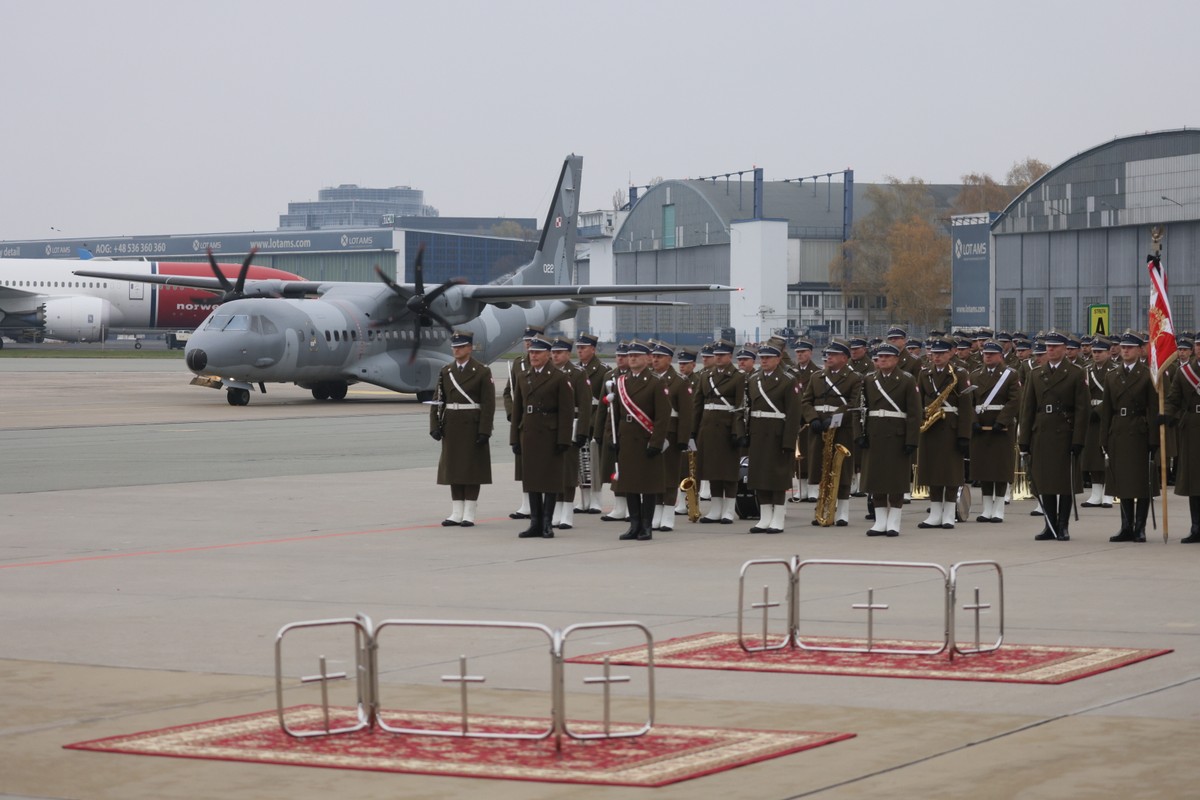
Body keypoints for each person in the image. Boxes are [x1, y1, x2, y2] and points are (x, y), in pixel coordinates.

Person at [1018, 330, 1089, 541]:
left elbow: (1082, 410)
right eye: (1048, 346)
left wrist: (1078, 440)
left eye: (1055, 346)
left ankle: (1062, 525)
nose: (1050, 350)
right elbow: (1027, 409)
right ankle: (1049, 525)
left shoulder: (1076, 373)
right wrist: (1024, 440)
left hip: (1064, 433)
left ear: (1065, 349)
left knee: (1064, 483)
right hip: (1042, 433)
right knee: (1045, 482)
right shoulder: (1035, 374)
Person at [509, 334, 574, 539]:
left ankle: (547, 523)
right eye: (531, 352)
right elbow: (517, 409)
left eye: (537, 352)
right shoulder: (523, 376)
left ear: (547, 355)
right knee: (532, 481)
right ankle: (535, 523)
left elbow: (566, 411)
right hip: (528, 434)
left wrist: (564, 439)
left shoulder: (559, 377)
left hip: (549, 434)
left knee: (550, 481)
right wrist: (514, 438)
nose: (533, 355)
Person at [430, 330, 495, 527]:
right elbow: (438, 399)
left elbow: (488, 403)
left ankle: (469, 512)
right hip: (452, 424)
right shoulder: (446, 371)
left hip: (472, 424)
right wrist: (435, 425)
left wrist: (485, 430)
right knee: (454, 469)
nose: (456, 350)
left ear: (469, 348)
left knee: (472, 470)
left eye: (460, 347)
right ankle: (456, 511)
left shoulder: (482, 371)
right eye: (454, 347)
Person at [610, 341, 672, 540]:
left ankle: (646, 526)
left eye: (637, 355)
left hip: (646, 439)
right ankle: (634, 525)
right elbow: (615, 413)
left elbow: (663, 415)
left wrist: (656, 442)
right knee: (630, 485)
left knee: (647, 486)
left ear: (647, 358)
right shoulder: (621, 381)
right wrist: (614, 438)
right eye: (630, 355)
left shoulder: (655, 382)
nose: (633, 358)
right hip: (627, 438)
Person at [1102, 332, 1159, 542]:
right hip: (1118, 429)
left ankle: (1139, 527)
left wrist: (1154, 440)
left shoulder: (1148, 374)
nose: (1125, 350)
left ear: (1139, 350)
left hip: (1139, 431)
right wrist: (1104, 439)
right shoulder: (1112, 376)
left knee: (1142, 483)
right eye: (1123, 347)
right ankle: (1126, 526)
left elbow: (1153, 409)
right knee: (1123, 482)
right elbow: (1107, 410)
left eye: (1130, 347)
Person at [860, 343, 921, 536]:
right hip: (874, 434)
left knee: (895, 481)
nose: (883, 360)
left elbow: (914, 413)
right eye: (880, 357)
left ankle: (894, 521)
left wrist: (911, 439)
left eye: (887, 357)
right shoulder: (869, 380)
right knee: (876, 480)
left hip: (897, 435)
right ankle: (880, 522)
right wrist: (859, 435)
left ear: (896, 359)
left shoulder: (906, 380)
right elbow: (860, 410)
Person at [800, 340, 862, 526]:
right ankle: (822, 509)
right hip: (819, 429)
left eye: (833, 355)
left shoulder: (854, 378)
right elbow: (805, 401)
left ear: (844, 358)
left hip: (841, 429)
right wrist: (813, 419)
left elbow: (853, 404)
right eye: (827, 354)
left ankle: (842, 511)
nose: (829, 357)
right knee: (820, 469)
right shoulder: (817, 377)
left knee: (840, 471)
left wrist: (834, 418)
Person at [916, 338, 974, 529]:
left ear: (951, 353)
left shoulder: (959, 373)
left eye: (941, 353)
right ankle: (934, 512)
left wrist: (964, 434)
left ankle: (949, 513)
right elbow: (918, 402)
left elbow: (966, 407)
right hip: (930, 427)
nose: (937, 357)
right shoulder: (925, 374)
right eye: (934, 353)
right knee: (932, 470)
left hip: (951, 426)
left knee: (950, 472)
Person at [745, 343, 803, 533]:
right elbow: (748, 409)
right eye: (761, 358)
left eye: (768, 358)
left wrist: (788, 441)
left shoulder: (788, 380)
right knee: (759, 477)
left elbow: (794, 414)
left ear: (778, 359)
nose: (764, 361)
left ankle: (778, 517)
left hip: (778, 434)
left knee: (777, 478)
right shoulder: (754, 379)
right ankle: (764, 517)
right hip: (758, 433)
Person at [968, 341, 1021, 523]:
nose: (987, 356)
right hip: (981, 427)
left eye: (991, 354)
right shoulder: (975, 375)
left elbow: (1014, 400)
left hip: (1001, 427)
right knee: (984, 468)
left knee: (1000, 468)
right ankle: (986, 509)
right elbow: (969, 401)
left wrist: (1002, 421)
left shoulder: (1010, 375)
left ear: (1000, 356)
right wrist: (973, 421)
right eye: (985, 354)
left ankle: (998, 508)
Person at [696, 339, 747, 524]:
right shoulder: (705, 376)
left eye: (722, 355)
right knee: (712, 470)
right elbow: (697, 404)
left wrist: (737, 431)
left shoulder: (738, 376)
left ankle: (728, 509)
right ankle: (716, 508)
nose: (718, 357)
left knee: (729, 472)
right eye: (716, 354)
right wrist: (693, 431)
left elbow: (740, 405)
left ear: (729, 356)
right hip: (708, 428)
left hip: (727, 429)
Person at [549, 337, 591, 530]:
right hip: (551, 426)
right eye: (553, 352)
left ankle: (566, 512)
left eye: (559, 352)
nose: (555, 355)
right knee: (554, 470)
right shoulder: (548, 373)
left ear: (567, 354)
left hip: (571, 425)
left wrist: (582, 431)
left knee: (568, 471)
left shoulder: (577, 374)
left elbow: (584, 405)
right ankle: (556, 510)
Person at [504, 325, 543, 520]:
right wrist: (513, 413)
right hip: (523, 422)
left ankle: (545, 505)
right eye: (527, 340)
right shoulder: (518, 364)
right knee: (524, 465)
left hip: (542, 422)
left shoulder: (548, 364)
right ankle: (526, 504)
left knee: (543, 466)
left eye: (532, 340)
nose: (528, 343)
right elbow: (508, 392)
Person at [1164, 336, 1200, 542]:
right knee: (1195, 481)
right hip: (1192, 429)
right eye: (1198, 345)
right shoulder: (1184, 372)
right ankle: (1196, 528)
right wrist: (1168, 415)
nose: (1199, 349)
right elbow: (1173, 398)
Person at [1081, 336, 1116, 508]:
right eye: (1094, 352)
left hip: (1108, 416)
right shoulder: (1086, 370)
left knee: (1108, 455)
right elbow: (1081, 394)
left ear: (1109, 352)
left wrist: (1099, 411)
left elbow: (1116, 395)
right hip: (1091, 417)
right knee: (1093, 457)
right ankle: (1095, 493)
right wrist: (1088, 410)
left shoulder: (1115, 370)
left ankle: (1108, 493)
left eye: (1100, 352)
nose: (1096, 355)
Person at [575, 332, 608, 514]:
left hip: (595, 420)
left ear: (593, 349)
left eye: (583, 348)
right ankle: (584, 499)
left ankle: (596, 499)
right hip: (580, 420)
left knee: (594, 463)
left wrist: (595, 423)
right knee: (581, 463)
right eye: (578, 348)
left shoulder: (603, 370)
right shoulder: (575, 369)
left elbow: (602, 401)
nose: (580, 351)